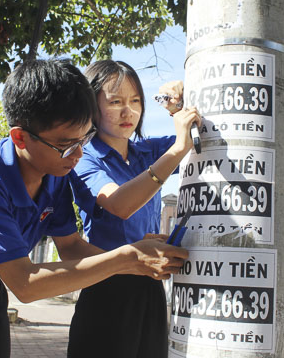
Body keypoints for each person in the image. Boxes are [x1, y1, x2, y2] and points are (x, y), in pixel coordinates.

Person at [0, 59, 188, 358]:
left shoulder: (54, 174)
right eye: (65, 145)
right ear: (20, 137)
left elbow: (70, 247)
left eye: (82, 140)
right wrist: (128, 257)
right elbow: (26, 284)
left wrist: (138, 262)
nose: (77, 155)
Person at [68, 60, 200, 358]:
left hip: (152, 286)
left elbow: (198, 136)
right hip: (106, 286)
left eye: (136, 100)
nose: (128, 112)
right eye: (115, 102)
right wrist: (177, 149)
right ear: (90, 107)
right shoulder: (84, 157)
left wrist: (178, 108)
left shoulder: (147, 151)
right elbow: (120, 204)